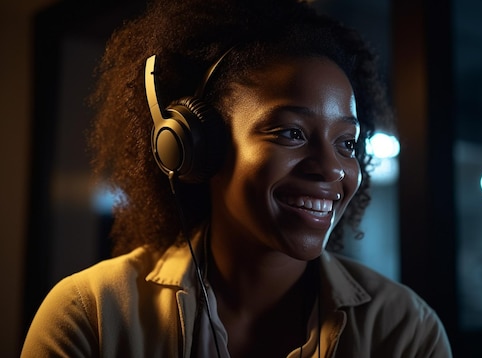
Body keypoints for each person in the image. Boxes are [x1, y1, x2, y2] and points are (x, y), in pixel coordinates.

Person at [21, 0, 452, 356]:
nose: (332, 168)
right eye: (291, 133)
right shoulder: (90, 317)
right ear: (195, 148)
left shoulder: (406, 332)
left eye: (346, 143)